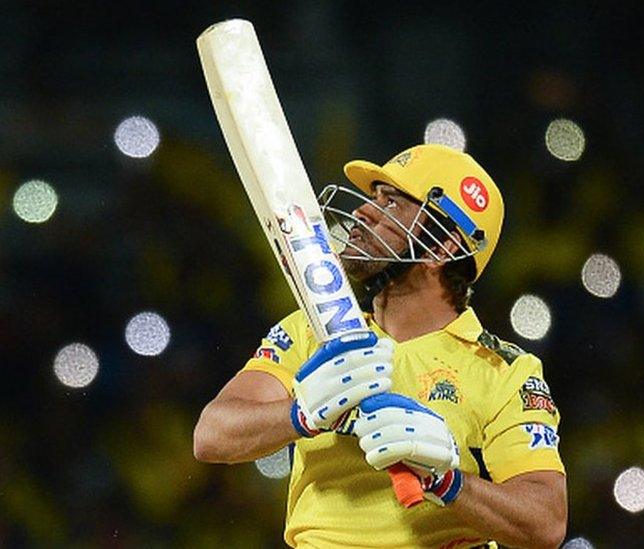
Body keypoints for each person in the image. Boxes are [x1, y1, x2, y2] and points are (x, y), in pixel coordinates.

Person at [194, 144, 567, 549]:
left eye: (392, 204)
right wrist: (303, 413)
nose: (362, 212)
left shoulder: (504, 371)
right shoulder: (312, 330)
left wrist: (446, 481)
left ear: (442, 248)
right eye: (374, 198)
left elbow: (545, 524)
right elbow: (212, 435)